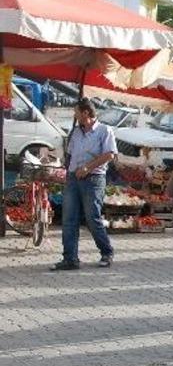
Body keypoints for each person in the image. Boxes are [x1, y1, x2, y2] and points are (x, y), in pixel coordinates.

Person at [51, 98, 118, 271]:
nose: (75, 115)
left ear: (86, 113)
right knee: (69, 219)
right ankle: (70, 258)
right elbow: (70, 155)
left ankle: (106, 252)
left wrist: (88, 167)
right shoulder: (75, 132)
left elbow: (110, 154)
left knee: (92, 217)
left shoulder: (104, 130)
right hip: (74, 178)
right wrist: (66, 172)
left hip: (94, 179)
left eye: (76, 112)